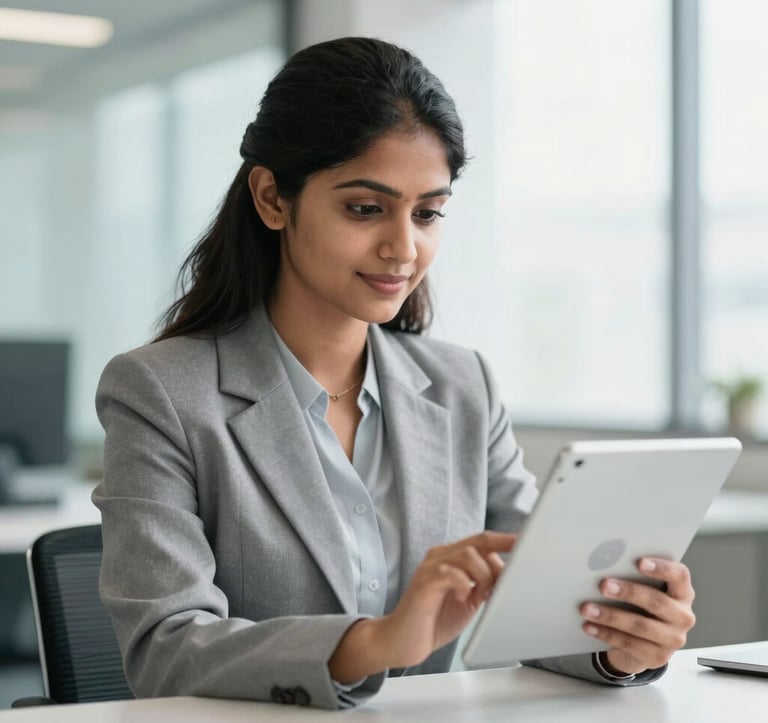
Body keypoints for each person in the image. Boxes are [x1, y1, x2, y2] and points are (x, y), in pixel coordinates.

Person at [93, 36, 696, 710]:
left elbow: (539, 597)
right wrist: (374, 641)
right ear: (272, 198)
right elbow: (166, 647)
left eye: (428, 212)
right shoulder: (161, 393)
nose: (404, 249)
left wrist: (619, 640)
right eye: (365, 208)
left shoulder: (465, 385)